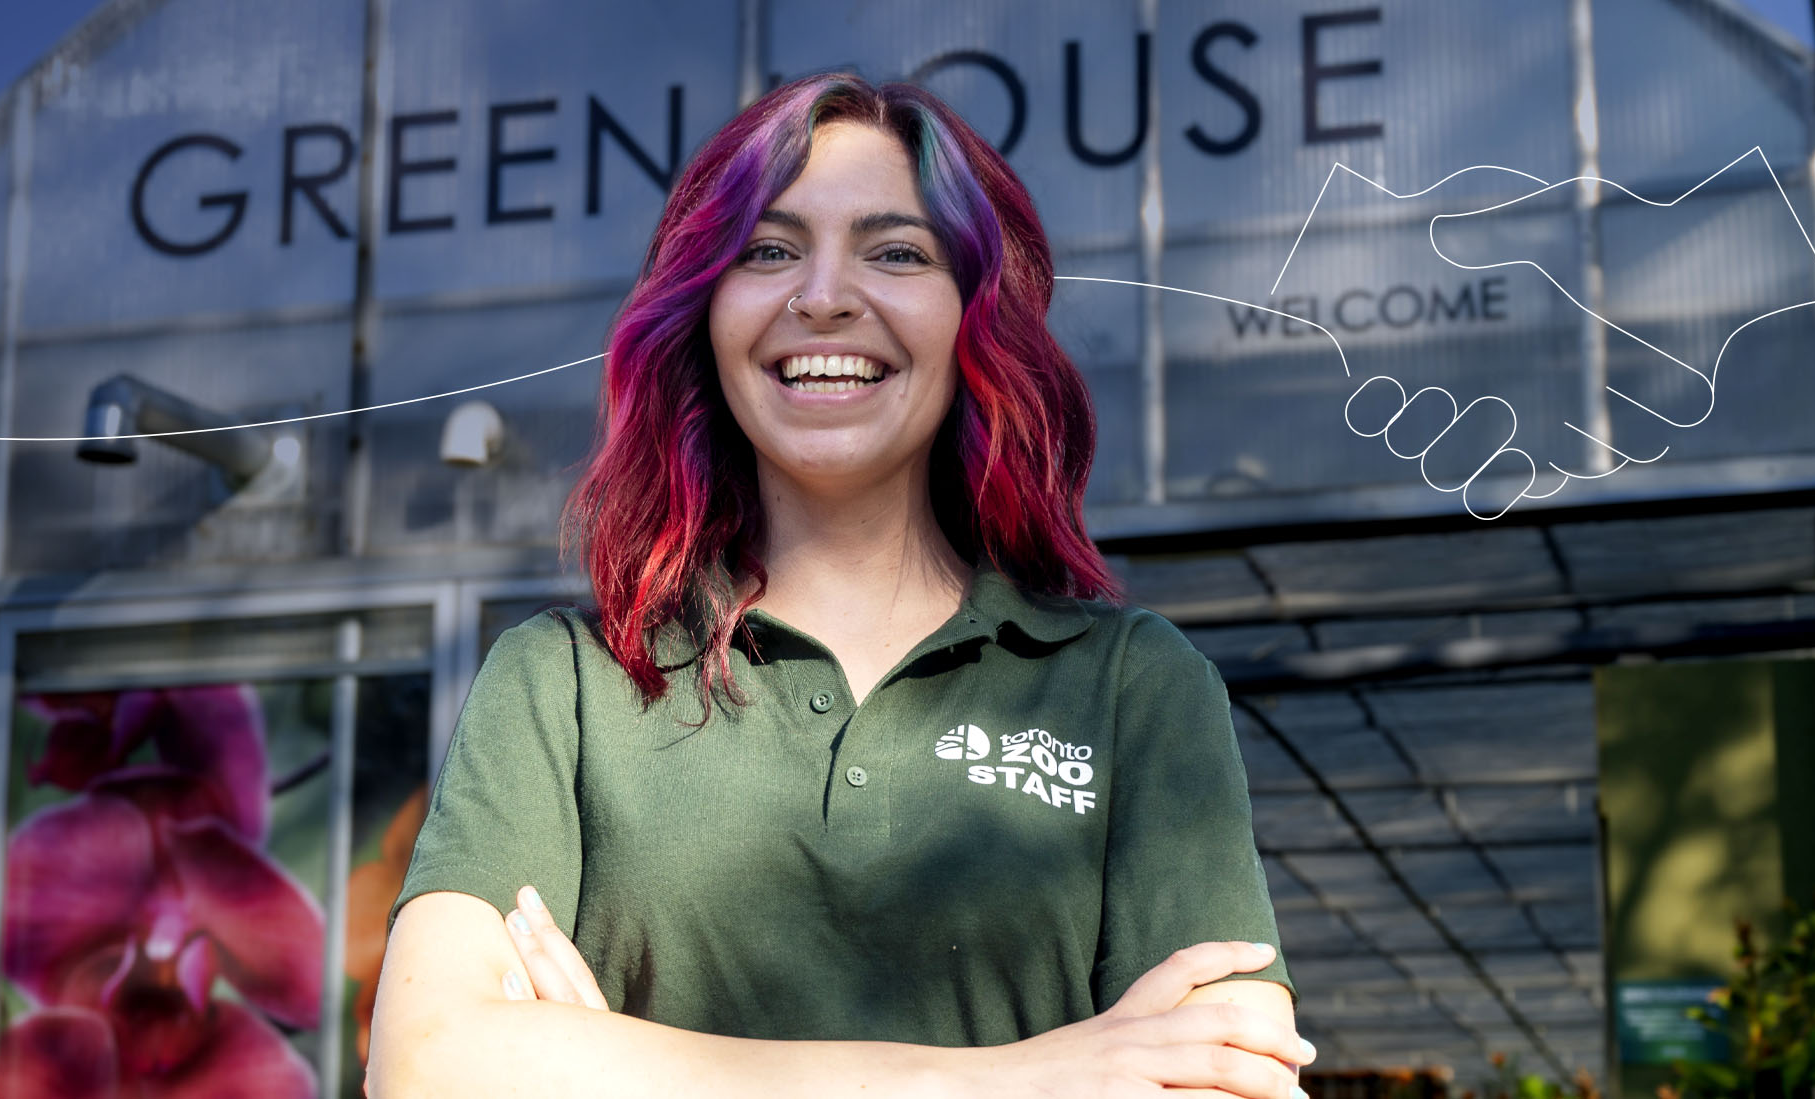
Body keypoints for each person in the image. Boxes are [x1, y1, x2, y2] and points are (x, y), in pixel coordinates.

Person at [367, 72, 1312, 1099]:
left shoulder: (1135, 689)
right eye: (767, 251)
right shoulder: (564, 683)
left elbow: (1230, 1082)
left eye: (895, 251)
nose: (821, 295)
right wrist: (1026, 1076)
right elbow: (427, 1064)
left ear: (975, 315)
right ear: (705, 310)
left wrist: (610, 1068)